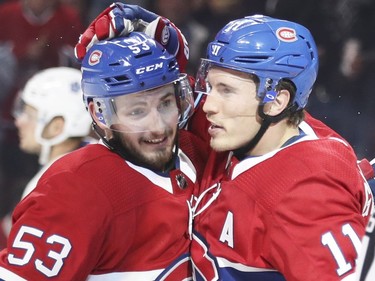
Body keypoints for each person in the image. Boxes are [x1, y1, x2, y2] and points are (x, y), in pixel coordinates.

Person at [74, 4, 374, 280]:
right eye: (210, 86)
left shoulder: (304, 196)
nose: (207, 105)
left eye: (226, 91)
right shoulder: (251, 130)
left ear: (276, 101)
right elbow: (169, 109)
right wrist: (150, 56)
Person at [0, 32, 207, 280]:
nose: (158, 126)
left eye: (165, 103)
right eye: (137, 111)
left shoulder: (192, 151)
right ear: (100, 114)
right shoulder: (74, 189)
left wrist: (167, 35)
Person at [0, 67, 93, 250]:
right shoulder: (88, 160)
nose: (19, 121)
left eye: (30, 114)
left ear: (57, 127)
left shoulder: (59, 185)